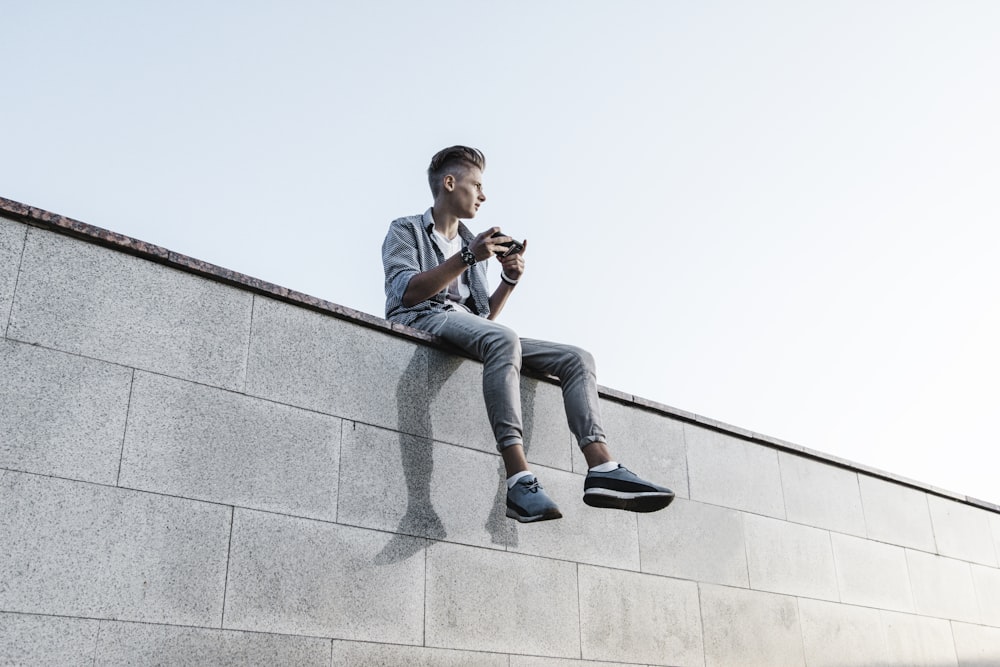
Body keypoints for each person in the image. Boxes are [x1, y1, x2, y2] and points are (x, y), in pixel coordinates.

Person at [382, 145, 673, 523]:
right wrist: (469, 257)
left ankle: (602, 469)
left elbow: (481, 317)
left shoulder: (472, 240)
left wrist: (509, 279)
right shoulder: (406, 230)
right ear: (450, 184)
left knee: (576, 359)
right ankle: (519, 479)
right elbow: (405, 292)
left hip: (466, 327)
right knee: (503, 337)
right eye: (477, 185)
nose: (483, 195)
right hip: (423, 318)